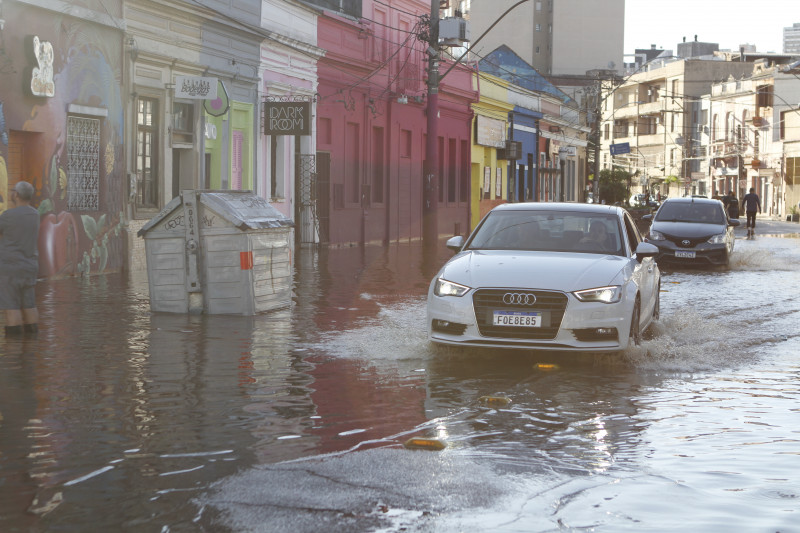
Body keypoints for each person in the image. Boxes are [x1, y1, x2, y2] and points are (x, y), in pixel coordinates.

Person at [0, 181, 40, 337]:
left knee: (12, 308)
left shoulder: (8, 216)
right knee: (29, 306)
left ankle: (14, 353)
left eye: (12, 191)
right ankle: (32, 347)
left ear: (16, 194)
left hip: (10, 268)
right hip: (30, 267)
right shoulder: (35, 215)